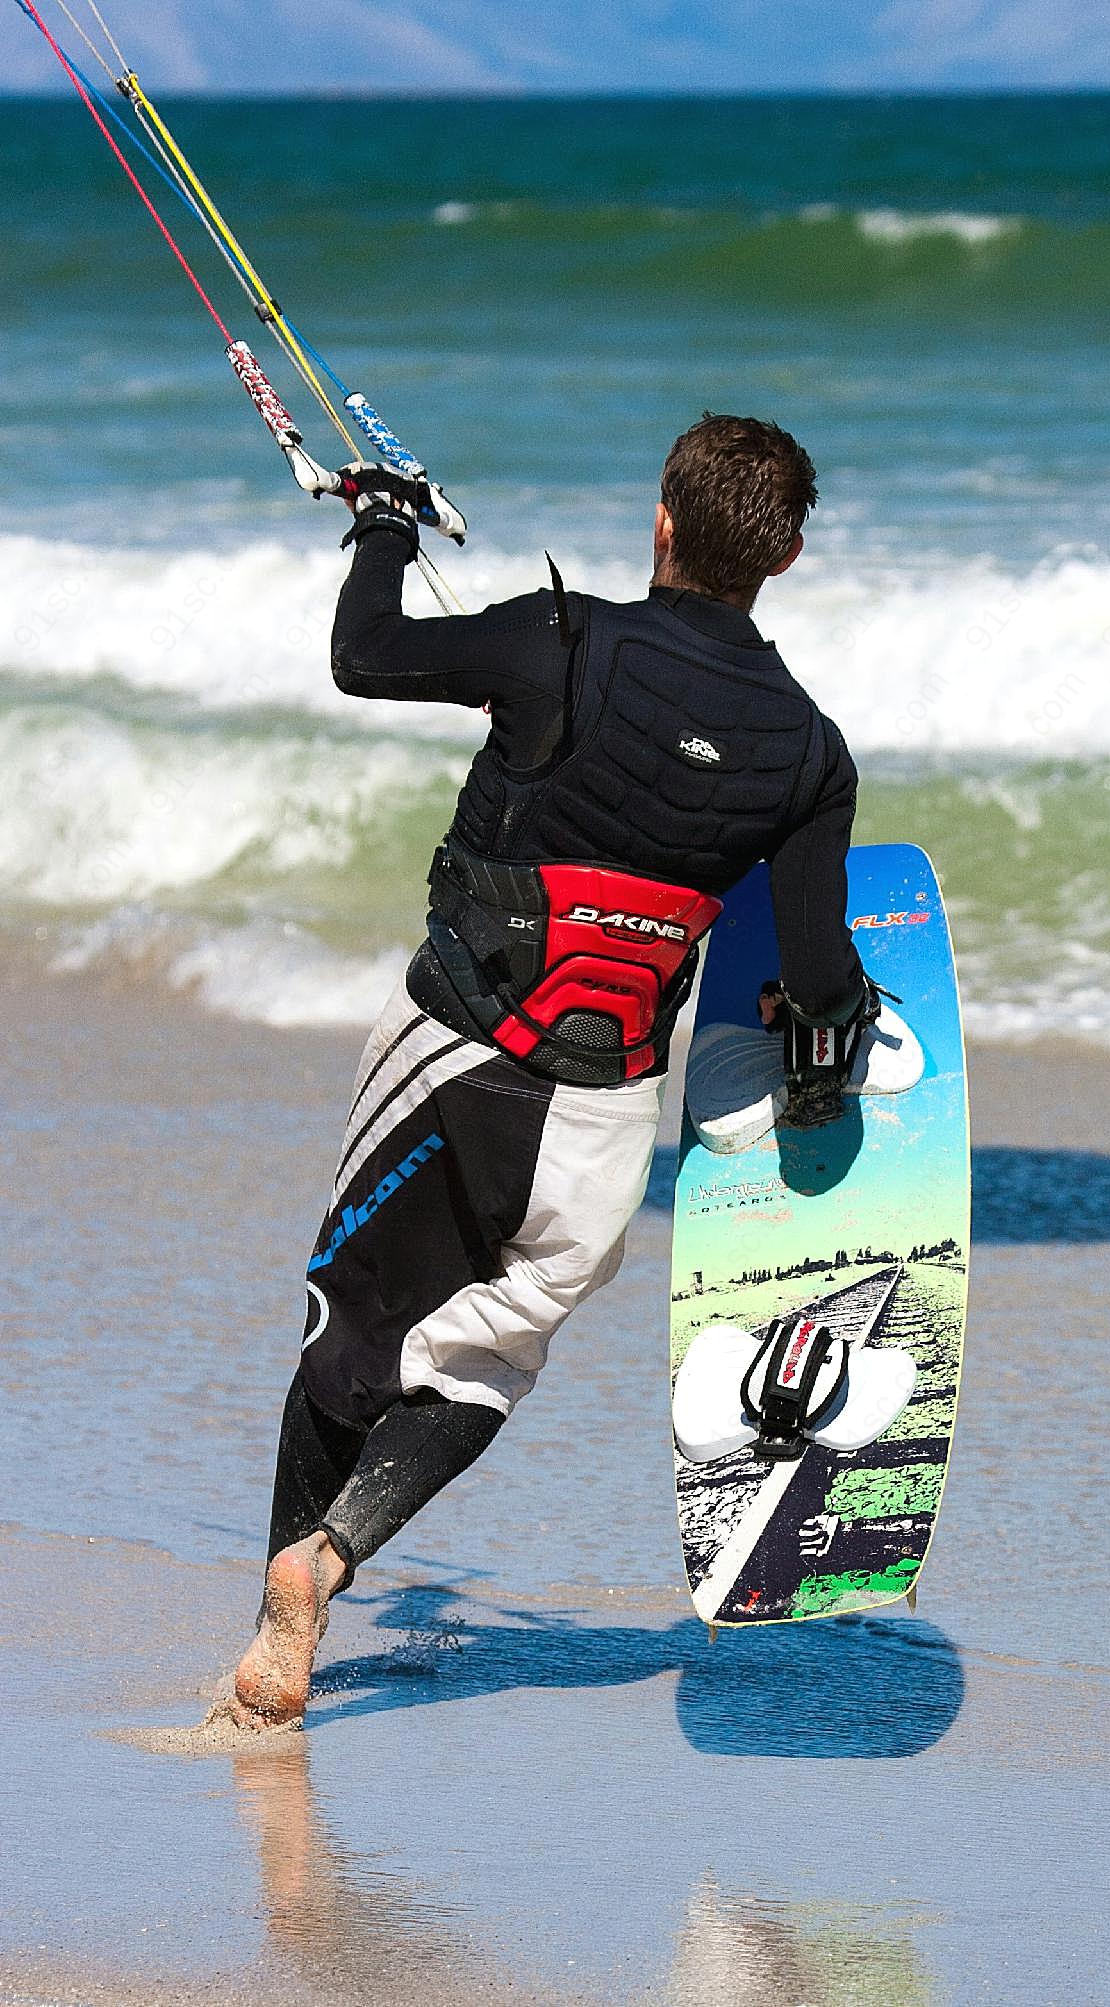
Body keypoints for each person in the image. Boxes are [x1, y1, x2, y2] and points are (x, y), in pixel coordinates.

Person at [227, 412, 877, 1727]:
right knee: (489, 1356)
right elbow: (815, 976)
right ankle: (337, 1554)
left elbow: (366, 655)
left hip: (447, 1052)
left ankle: (278, 1620)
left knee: (350, 1332)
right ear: (790, 555)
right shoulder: (810, 756)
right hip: (599, 1110)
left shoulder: (555, 638)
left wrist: (384, 528)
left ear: (661, 523)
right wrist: (829, 1053)